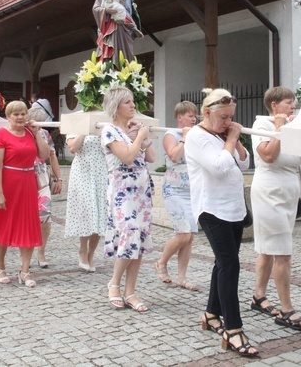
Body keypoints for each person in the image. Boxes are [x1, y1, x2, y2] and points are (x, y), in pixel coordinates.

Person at [184, 89, 257, 357]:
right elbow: (218, 167)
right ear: (207, 112)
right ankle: (233, 328)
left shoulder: (221, 135)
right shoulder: (196, 136)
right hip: (212, 209)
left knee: (223, 262)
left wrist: (233, 140)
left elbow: (244, 161)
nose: (227, 122)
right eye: (223, 117)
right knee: (230, 265)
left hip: (233, 208)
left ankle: (211, 314)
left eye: (231, 117)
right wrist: (233, 138)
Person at [250, 87, 301, 331]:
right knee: (282, 251)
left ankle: (258, 296)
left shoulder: (291, 124)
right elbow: (267, 155)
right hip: (269, 192)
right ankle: (286, 308)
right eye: (288, 103)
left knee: (267, 249)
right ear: (275, 105)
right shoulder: (262, 125)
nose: (293, 107)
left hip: (288, 192)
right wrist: (279, 129)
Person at [0, 101, 51, 287]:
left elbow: (44, 154)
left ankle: (25, 270)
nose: (21, 117)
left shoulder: (31, 133)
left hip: (27, 182)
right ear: (8, 117)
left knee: (29, 225)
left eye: (23, 113)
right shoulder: (1, 134)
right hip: (7, 182)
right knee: (3, 225)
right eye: (16, 114)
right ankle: (0, 267)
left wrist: (37, 132)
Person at [101, 87, 155, 311]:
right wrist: (139, 137)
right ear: (115, 107)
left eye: (133, 102)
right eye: (127, 102)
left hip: (141, 190)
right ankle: (114, 283)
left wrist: (144, 138)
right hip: (123, 190)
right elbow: (128, 157)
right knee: (128, 233)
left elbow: (150, 157)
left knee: (139, 239)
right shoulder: (109, 130)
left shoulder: (130, 131)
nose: (133, 106)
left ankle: (130, 290)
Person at [154, 101, 199, 291]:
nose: (193, 118)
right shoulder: (171, 134)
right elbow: (174, 155)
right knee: (183, 234)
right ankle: (161, 262)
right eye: (189, 115)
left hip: (192, 191)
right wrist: (184, 139)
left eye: (194, 115)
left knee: (190, 237)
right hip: (174, 190)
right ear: (179, 117)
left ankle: (182, 277)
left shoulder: (195, 135)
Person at [64, 129, 107, 273]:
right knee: (87, 210)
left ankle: (91, 253)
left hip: (101, 171)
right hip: (82, 171)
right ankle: (82, 250)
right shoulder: (77, 123)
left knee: (101, 211)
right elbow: (73, 148)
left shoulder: (104, 122)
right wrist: (84, 129)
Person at [27, 107, 62, 267]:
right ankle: (26, 251)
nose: (38, 128)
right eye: (35, 124)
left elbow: (50, 156)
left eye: (40, 124)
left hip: (41, 177)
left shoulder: (44, 135)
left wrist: (59, 178)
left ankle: (41, 251)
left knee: (45, 215)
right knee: (26, 216)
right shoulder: (21, 133)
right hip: (24, 177)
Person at [93, 0, 143, 66]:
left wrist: (134, 28)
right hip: (113, 28)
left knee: (127, 58)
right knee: (113, 57)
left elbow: (129, 12)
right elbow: (96, 8)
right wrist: (106, 10)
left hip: (126, 29)